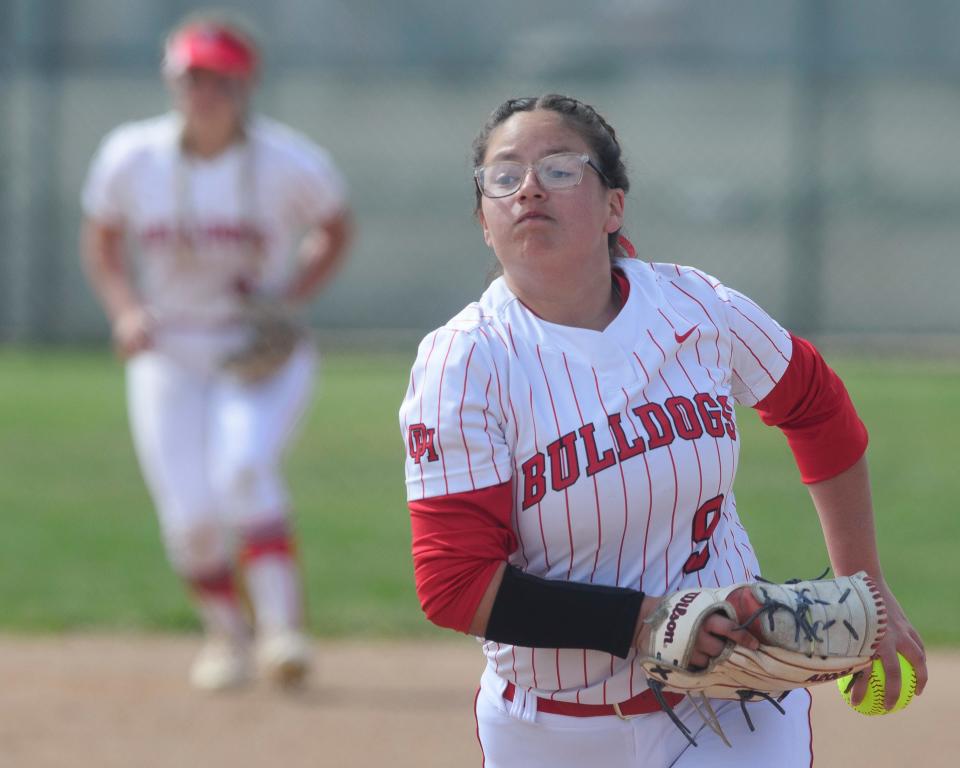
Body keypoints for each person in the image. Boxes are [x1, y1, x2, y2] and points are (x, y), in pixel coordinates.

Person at [398, 94, 926, 766]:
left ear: (613, 206)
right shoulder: (465, 361)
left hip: (732, 707)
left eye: (560, 169)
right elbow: (456, 583)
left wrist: (866, 583)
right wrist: (641, 622)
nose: (529, 187)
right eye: (504, 177)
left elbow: (816, 405)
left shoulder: (693, 307)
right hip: (556, 733)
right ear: (483, 219)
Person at [81, 11, 352, 692]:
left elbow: (334, 225)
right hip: (169, 347)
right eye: (192, 76)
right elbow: (103, 238)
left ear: (243, 85)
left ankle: (285, 633)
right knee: (191, 518)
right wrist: (125, 311)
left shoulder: (287, 159)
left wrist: (293, 295)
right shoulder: (131, 155)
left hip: (256, 345)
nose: (203, 91)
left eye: (218, 79)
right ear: (172, 80)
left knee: (243, 466)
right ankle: (227, 637)